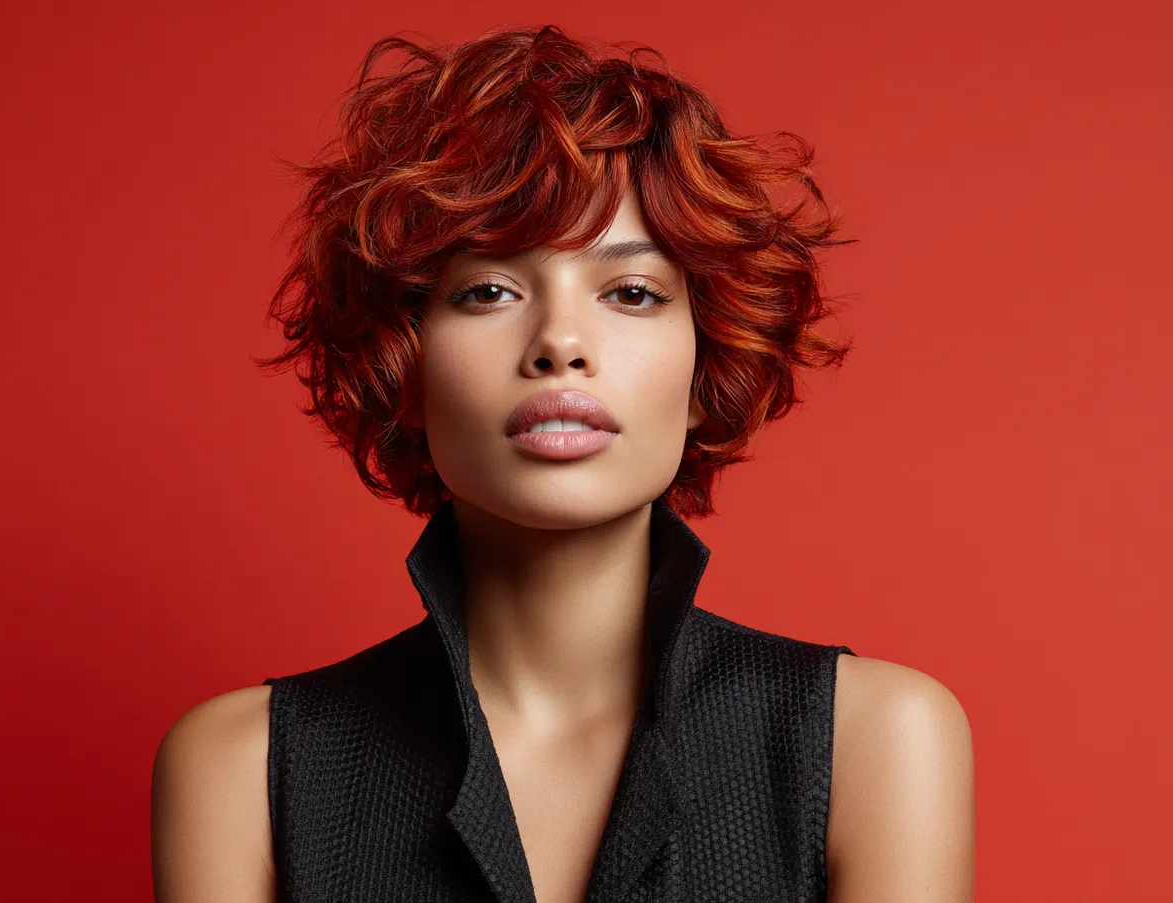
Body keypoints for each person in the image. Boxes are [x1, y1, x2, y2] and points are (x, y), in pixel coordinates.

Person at [150, 24, 975, 903]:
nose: (560, 343)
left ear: (709, 369)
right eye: (489, 291)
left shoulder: (872, 742)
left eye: (631, 293)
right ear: (408, 369)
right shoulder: (246, 769)